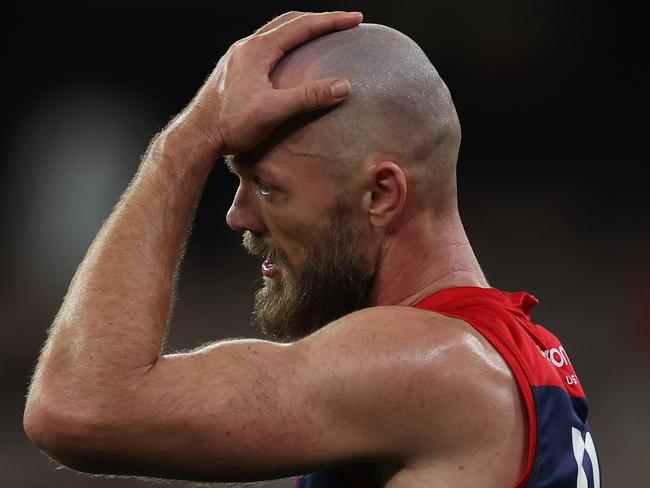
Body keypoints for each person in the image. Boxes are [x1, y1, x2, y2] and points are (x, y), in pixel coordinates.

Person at [23, 11, 601, 488]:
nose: (237, 215)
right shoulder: (526, 355)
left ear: (381, 194)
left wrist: (185, 141)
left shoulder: (429, 364)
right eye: (237, 181)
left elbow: (80, 406)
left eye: (269, 187)